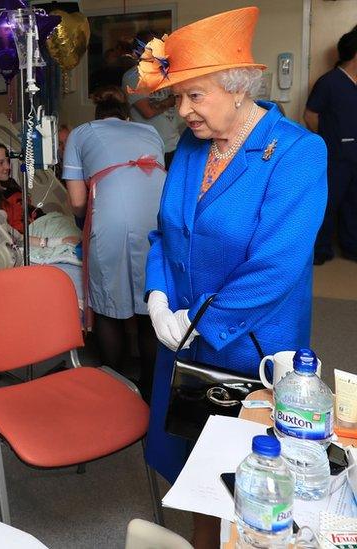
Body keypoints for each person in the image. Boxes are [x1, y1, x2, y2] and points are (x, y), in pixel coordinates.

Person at [133, 7, 327, 547]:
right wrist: (155, 294)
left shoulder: (297, 152)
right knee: (196, 481)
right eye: (177, 98)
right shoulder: (191, 148)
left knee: (252, 493)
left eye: (196, 95)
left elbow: (278, 264)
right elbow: (164, 235)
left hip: (249, 350)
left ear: (238, 88)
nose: (183, 110)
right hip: (181, 342)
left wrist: (200, 322)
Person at [62, 85, 165, 401]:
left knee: (108, 304)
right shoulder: (151, 132)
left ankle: (115, 384)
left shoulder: (80, 134)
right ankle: (151, 387)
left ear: (97, 116)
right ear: (126, 115)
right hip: (160, 218)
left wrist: (84, 215)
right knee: (152, 302)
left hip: (113, 221)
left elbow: (78, 201)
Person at [305, 26, 357, 265]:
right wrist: (329, 139)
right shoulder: (330, 82)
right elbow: (310, 115)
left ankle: (351, 247)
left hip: (355, 157)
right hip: (335, 157)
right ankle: (320, 250)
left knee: (353, 204)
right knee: (327, 203)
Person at [122, 30, 183, 167]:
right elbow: (147, 112)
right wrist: (171, 100)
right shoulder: (133, 77)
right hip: (148, 148)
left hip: (173, 145)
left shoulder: (167, 73)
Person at [0, 140, 45, 235]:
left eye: (7, 161)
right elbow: (15, 233)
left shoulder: (10, 184)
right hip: (30, 236)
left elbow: (28, 209)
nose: (7, 166)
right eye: (0, 163)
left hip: (40, 224)